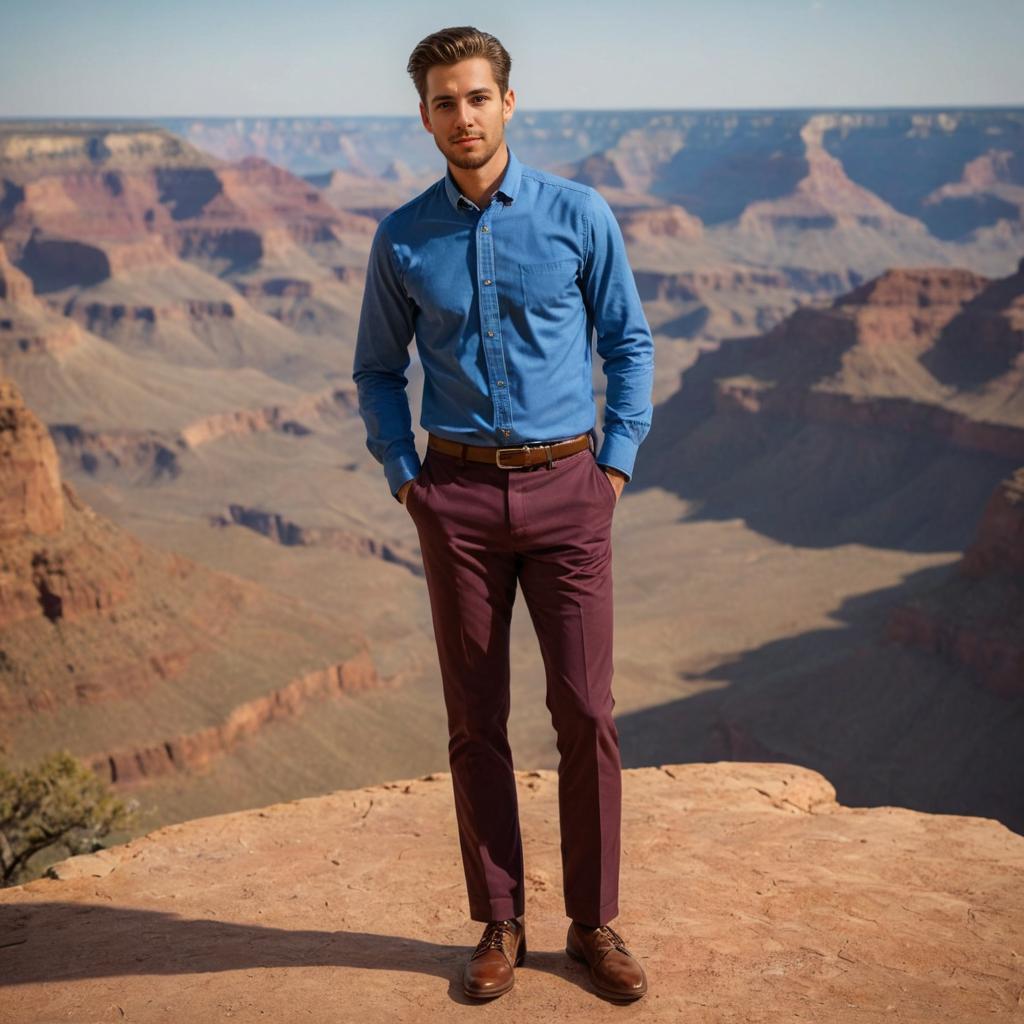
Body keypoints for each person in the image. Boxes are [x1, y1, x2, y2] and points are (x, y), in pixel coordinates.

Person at [352, 25, 654, 1003]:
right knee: (474, 719)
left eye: (476, 97)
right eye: (442, 101)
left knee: (586, 710)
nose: (462, 116)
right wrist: (409, 479)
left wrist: (613, 466)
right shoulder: (402, 236)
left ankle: (592, 924)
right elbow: (375, 369)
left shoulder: (577, 213)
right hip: (460, 496)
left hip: (569, 487)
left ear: (507, 103)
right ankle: (499, 922)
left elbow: (629, 343)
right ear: (426, 115)